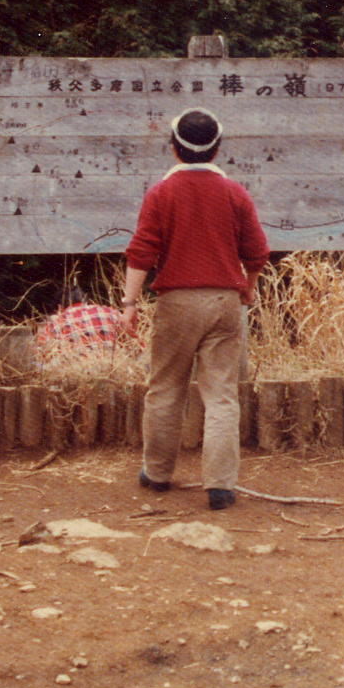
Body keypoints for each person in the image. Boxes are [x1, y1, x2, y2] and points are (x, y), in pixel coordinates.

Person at [121, 108, 269, 512]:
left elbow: (141, 252)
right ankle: (220, 486)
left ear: (174, 147)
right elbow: (257, 252)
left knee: (165, 388)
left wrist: (129, 304)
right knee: (221, 395)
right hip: (224, 302)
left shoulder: (161, 193)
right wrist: (248, 288)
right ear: (217, 148)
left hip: (176, 304)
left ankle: (157, 473)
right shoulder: (235, 193)